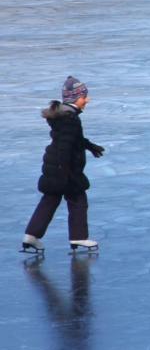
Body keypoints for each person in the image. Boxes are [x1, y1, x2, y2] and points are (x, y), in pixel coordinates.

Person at [22, 76, 104, 255]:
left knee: (50, 199)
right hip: (63, 167)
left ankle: (31, 235)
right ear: (75, 98)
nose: (87, 100)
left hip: (53, 165)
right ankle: (78, 236)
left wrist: (90, 146)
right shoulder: (70, 118)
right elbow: (66, 143)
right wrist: (65, 166)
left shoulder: (63, 115)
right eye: (84, 97)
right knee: (77, 199)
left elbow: (71, 138)